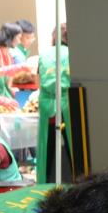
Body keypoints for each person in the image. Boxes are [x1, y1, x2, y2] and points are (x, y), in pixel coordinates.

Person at [36, 23, 78, 183]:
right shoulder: (75, 54)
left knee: (47, 152)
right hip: (69, 106)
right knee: (74, 151)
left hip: (48, 110)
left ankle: (43, 186)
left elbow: (38, 81)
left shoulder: (44, 54)